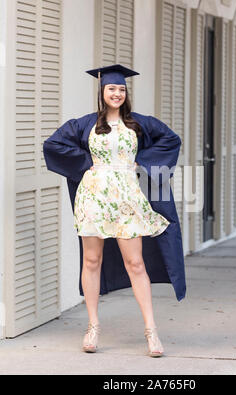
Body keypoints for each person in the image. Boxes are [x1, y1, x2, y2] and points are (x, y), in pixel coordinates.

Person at [43, 64, 186, 357]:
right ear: (102, 91)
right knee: (91, 260)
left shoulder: (138, 124)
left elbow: (171, 139)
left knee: (136, 264)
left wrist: (141, 164)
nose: (117, 93)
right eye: (112, 89)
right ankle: (93, 327)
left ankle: (151, 331)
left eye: (121, 89)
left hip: (128, 199)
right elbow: (53, 144)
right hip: (94, 198)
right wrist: (85, 165)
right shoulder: (85, 124)